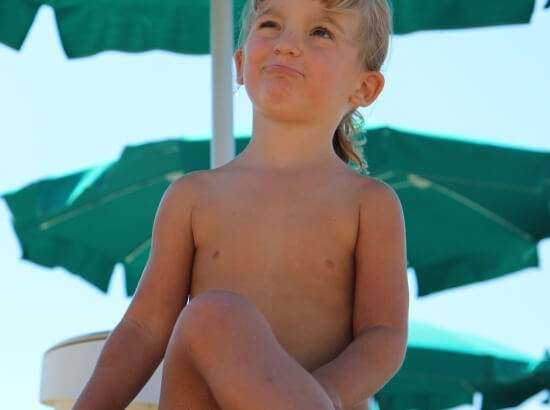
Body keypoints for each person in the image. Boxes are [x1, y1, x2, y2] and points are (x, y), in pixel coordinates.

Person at [73, 0, 408, 408]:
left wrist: (323, 397)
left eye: (320, 32)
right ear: (240, 62)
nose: (286, 44)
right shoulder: (192, 196)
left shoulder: (369, 203)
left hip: (325, 401)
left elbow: (384, 334)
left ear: (364, 87)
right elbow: (143, 328)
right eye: (270, 24)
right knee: (212, 316)